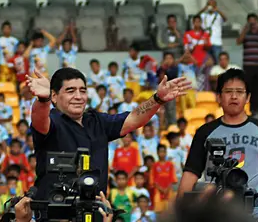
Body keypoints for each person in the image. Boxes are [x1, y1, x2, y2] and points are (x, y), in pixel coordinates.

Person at [26, 67, 191, 199]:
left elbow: (134, 119)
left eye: (82, 91)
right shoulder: (52, 120)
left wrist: (158, 99)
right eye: (70, 91)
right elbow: (39, 119)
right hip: (55, 213)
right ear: (54, 96)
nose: (78, 96)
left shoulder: (96, 120)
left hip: (95, 210)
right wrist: (43, 100)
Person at [177, 68, 258, 222]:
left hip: (257, 213)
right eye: (228, 91)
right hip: (217, 213)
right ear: (218, 97)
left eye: (239, 91)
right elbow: (190, 174)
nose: (234, 96)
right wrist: (180, 214)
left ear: (248, 97)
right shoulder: (205, 132)